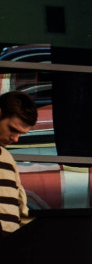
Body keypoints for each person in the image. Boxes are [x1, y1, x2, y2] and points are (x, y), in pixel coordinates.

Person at [0, 91, 38, 234]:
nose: (15, 139)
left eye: (20, 133)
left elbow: (21, 208)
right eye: (12, 129)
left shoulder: (7, 158)